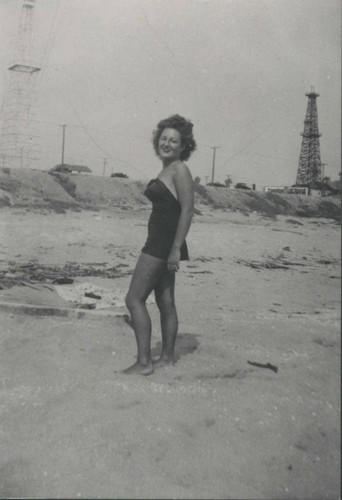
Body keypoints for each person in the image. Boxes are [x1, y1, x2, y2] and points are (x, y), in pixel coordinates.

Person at [124, 114, 197, 375]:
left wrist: (176, 248)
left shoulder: (179, 169)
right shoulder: (166, 169)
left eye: (173, 140)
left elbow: (187, 211)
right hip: (163, 241)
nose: (167, 143)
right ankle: (166, 358)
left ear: (183, 145)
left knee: (134, 299)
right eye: (163, 138)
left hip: (162, 243)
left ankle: (144, 363)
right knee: (165, 302)